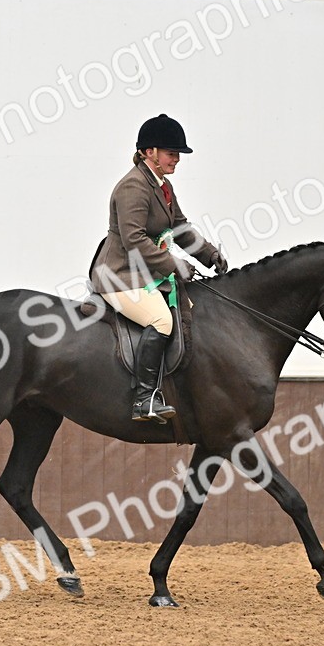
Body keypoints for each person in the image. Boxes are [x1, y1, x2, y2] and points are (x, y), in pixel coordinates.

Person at [89, 113, 228, 423]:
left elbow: (178, 227)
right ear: (148, 151)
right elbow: (135, 240)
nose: (176, 159)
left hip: (146, 274)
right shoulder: (133, 187)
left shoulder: (161, 185)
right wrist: (175, 264)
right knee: (161, 321)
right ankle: (143, 400)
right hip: (120, 275)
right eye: (170, 153)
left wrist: (208, 255)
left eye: (177, 154)